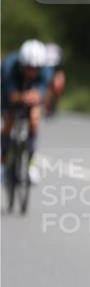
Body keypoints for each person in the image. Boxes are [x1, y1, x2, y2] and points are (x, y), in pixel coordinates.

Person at [2, 40, 53, 184]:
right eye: (29, 68)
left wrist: (37, 96)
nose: (32, 72)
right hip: (10, 93)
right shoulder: (9, 67)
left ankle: (31, 164)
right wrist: (21, 97)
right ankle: (2, 163)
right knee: (8, 122)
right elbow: (10, 95)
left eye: (36, 68)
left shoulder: (46, 71)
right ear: (22, 64)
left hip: (31, 95)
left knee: (34, 119)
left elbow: (43, 92)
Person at [44, 43, 66, 117]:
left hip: (57, 71)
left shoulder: (58, 55)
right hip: (46, 70)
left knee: (58, 85)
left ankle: (54, 103)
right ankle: (46, 104)